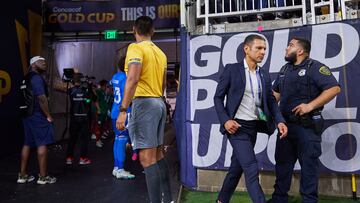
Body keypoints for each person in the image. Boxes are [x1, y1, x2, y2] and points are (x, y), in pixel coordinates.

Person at [213, 35, 288, 203]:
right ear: (246, 49)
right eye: (259, 48)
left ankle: (221, 200)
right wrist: (225, 120)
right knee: (251, 168)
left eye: (264, 49)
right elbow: (218, 98)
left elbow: (270, 101)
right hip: (236, 128)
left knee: (236, 169)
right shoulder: (232, 69)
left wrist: (280, 121)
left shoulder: (264, 74)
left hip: (253, 127)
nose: (263, 52)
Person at [269, 37, 341, 203]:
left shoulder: (315, 67)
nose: (286, 48)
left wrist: (310, 106)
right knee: (282, 166)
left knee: (308, 168)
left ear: (300, 51)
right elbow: (275, 95)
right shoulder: (284, 69)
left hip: (306, 127)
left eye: (291, 46)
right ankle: (279, 199)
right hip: (285, 127)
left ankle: (309, 200)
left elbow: (334, 88)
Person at [116, 16, 173, 203]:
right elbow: (164, 83)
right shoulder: (161, 53)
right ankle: (168, 199)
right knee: (157, 155)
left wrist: (123, 110)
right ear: (153, 31)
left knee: (146, 159)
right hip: (158, 102)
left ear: (134, 30)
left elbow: (132, 79)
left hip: (145, 104)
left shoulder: (135, 48)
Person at [17, 56, 57, 185]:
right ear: (33, 65)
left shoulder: (25, 78)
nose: (44, 64)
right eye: (41, 62)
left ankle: (22, 175)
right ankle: (43, 177)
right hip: (37, 115)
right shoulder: (36, 78)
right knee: (42, 143)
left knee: (27, 143)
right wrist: (48, 115)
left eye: (45, 62)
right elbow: (41, 98)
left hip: (26, 115)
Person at [110, 45, 136, 179]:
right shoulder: (127, 78)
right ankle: (120, 169)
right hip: (124, 113)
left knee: (117, 139)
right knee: (122, 140)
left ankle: (116, 167)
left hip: (114, 112)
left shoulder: (116, 76)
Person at [65, 73, 92, 165]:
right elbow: (89, 101)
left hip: (74, 118)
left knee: (72, 138)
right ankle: (83, 158)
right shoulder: (86, 90)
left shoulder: (70, 91)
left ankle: (69, 158)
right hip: (84, 117)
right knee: (84, 139)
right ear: (82, 80)